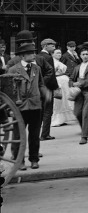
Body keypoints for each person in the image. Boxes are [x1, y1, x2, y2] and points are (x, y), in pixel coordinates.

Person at [8, 40, 43, 170]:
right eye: (30, 53)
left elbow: (40, 84)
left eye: (33, 53)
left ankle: (34, 159)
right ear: (23, 56)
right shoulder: (13, 69)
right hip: (20, 106)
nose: (34, 55)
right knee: (18, 135)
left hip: (35, 105)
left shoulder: (37, 68)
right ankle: (19, 161)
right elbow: (9, 90)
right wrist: (10, 108)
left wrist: (45, 95)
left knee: (34, 135)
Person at [70, 45, 88, 145]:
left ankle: (84, 136)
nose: (85, 56)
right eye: (83, 54)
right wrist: (73, 84)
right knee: (77, 113)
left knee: (86, 114)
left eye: (87, 54)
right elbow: (71, 79)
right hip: (78, 92)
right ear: (80, 56)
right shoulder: (77, 67)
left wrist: (81, 83)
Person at [38, 37, 58, 141]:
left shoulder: (37, 56)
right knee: (48, 111)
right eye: (52, 45)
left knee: (40, 111)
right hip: (47, 88)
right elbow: (51, 74)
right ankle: (45, 134)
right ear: (45, 46)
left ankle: (38, 133)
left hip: (39, 88)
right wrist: (54, 87)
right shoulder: (48, 57)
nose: (54, 48)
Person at [51, 48, 77, 127]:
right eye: (57, 53)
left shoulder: (59, 62)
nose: (59, 54)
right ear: (52, 54)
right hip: (58, 82)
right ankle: (56, 120)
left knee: (65, 101)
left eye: (60, 53)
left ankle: (63, 119)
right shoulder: (52, 62)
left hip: (64, 82)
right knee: (58, 101)